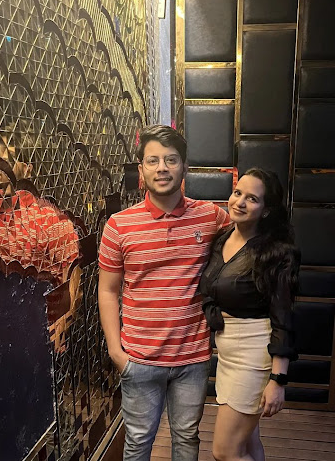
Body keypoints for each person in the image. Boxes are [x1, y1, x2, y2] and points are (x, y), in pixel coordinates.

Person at [97, 125, 229, 460]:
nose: (162, 168)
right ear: (141, 169)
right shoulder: (119, 226)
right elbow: (108, 291)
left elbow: (247, 243)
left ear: (184, 166)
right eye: (153, 160)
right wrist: (116, 352)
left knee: (186, 438)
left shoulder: (211, 217)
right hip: (139, 358)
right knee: (138, 442)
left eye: (171, 160)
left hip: (192, 357)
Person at [199, 168, 300, 461]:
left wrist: (278, 380)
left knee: (225, 451)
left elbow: (283, 319)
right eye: (237, 193)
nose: (240, 202)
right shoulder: (222, 239)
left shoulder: (277, 253)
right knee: (248, 444)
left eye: (252, 198)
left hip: (254, 355)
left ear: (266, 210)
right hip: (228, 353)